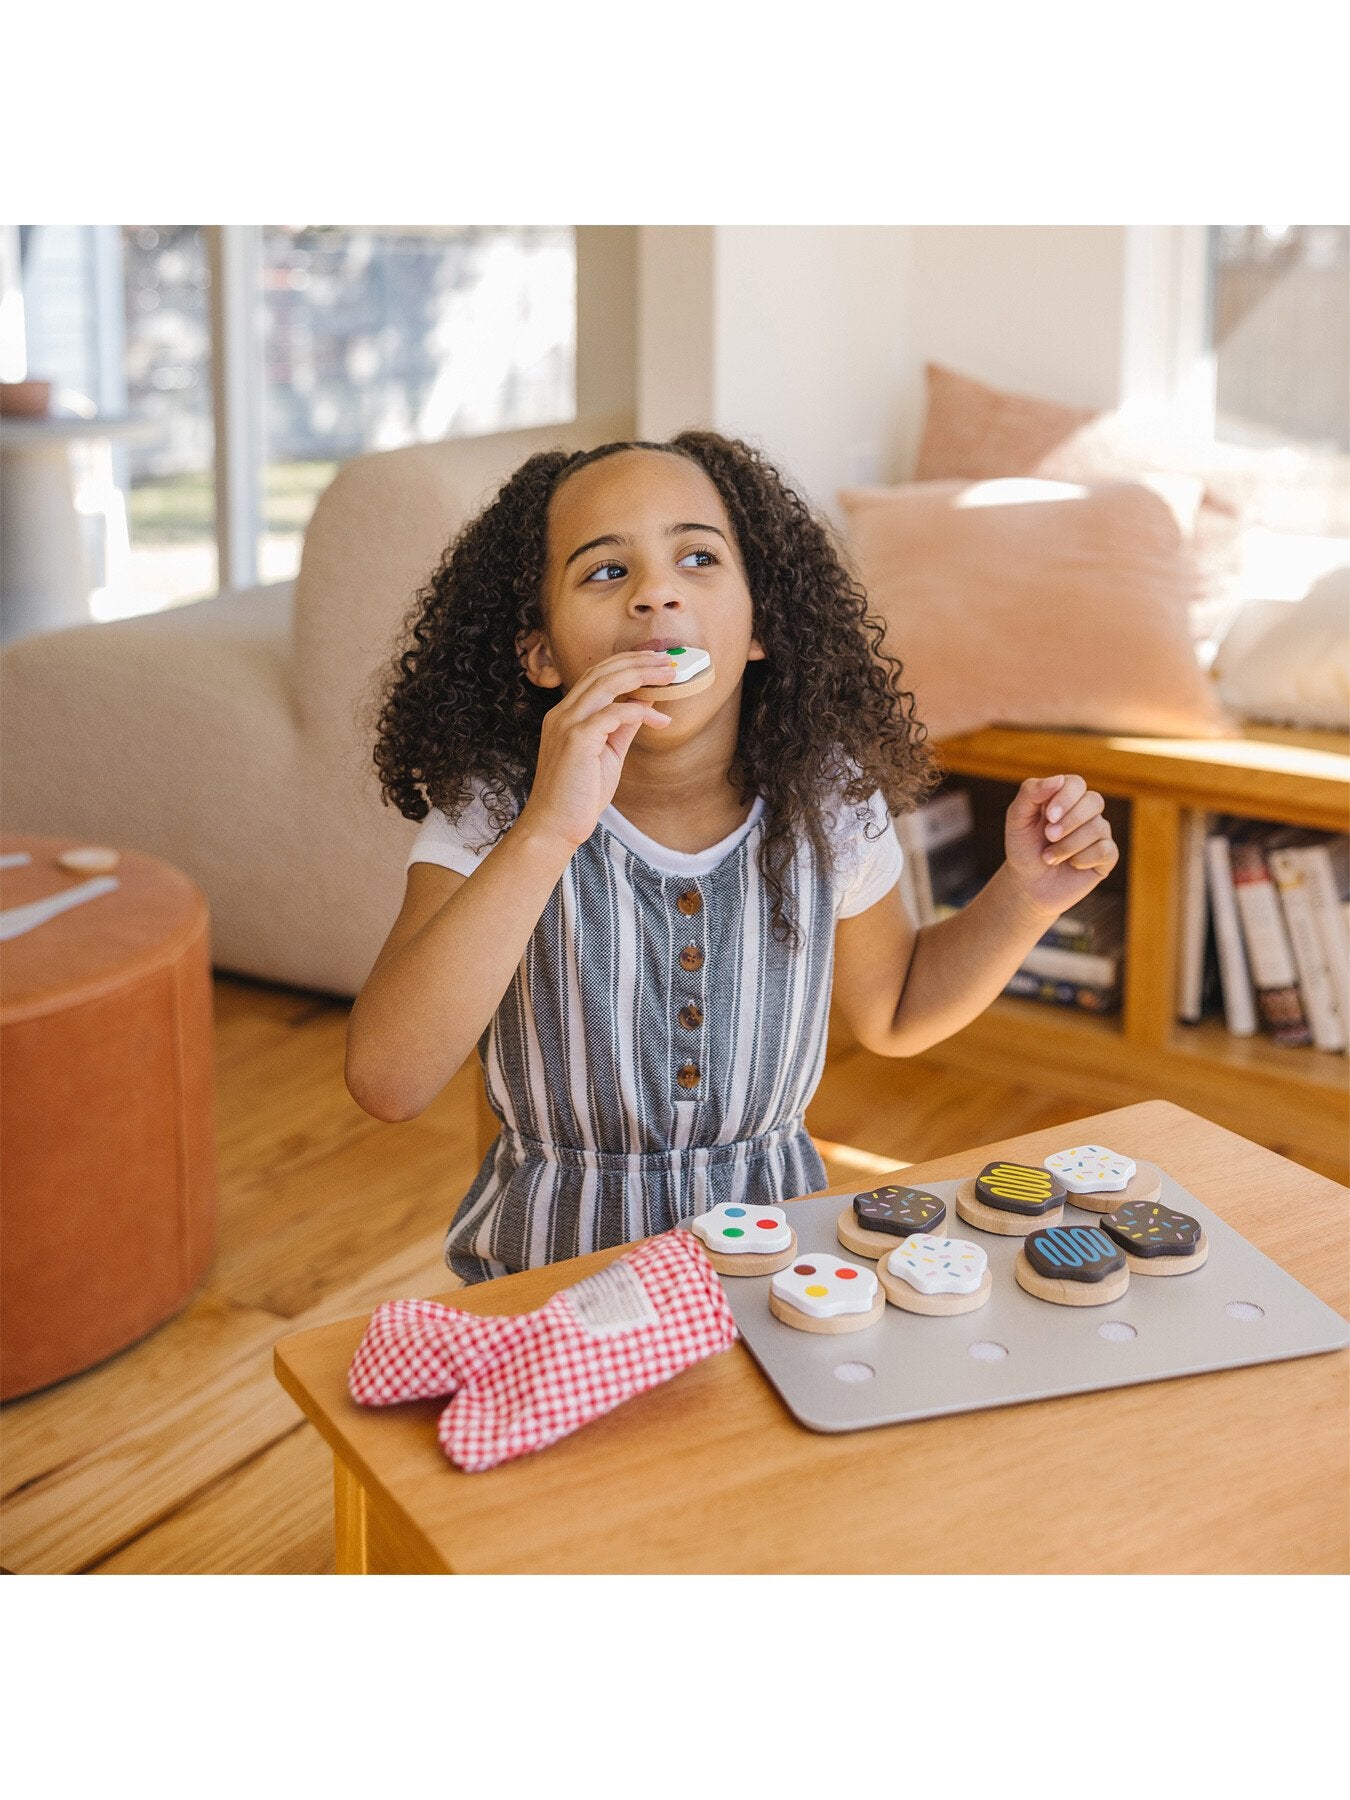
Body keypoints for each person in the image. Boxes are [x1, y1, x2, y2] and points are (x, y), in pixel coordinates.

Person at [345, 432, 1119, 1283]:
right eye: (607, 570)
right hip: (551, 1285)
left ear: (759, 627)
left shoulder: (828, 801)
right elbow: (389, 1081)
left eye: (699, 558)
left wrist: (1028, 897)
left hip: (772, 1279)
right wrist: (546, 831)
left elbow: (897, 1010)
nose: (656, 593)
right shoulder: (495, 811)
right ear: (541, 652)